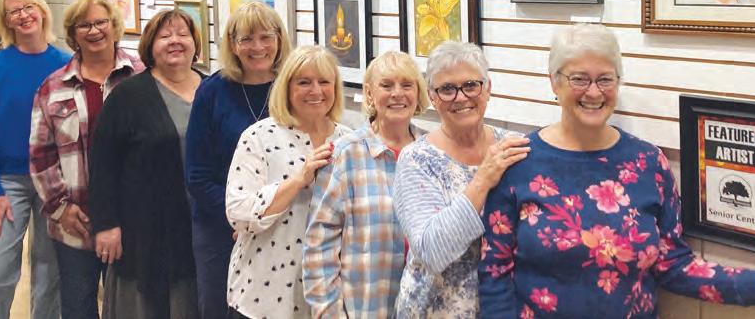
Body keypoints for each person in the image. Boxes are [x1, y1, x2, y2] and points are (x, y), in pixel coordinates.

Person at [478, 23, 755, 318]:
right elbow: (494, 273)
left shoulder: (647, 163)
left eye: (605, 79)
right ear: (554, 83)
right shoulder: (519, 162)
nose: (594, 92)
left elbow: (675, 265)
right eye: (579, 79)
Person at [392, 41, 530, 318]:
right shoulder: (417, 159)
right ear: (432, 96)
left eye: (470, 85)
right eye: (447, 89)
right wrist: (482, 179)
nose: (460, 97)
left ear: (488, 88)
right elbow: (431, 251)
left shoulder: (513, 148)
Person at [29, 0, 145, 319]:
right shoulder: (53, 87)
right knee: (78, 306)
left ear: (114, 26)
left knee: (129, 308)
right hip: (75, 223)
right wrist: (61, 209)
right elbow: (40, 154)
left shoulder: (142, 76)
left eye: (101, 22)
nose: (94, 31)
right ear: (73, 34)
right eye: (84, 25)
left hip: (131, 220)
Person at [88, 9, 205, 319]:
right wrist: (106, 224)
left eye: (183, 34)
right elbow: (102, 165)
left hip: (199, 229)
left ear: (195, 43)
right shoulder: (127, 96)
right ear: (150, 46)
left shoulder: (212, 89)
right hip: (144, 233)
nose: (175, 41)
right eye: (165, 36)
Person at [225, 45, 352, 319]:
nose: (315, 91)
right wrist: (298, 181)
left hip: (328, 298)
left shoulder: (349, 141)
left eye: (324, 82)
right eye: (304, 82)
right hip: (262, 297)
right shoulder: (258, 137)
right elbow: (239, 215)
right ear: (287, 88)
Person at [303, 51, 429, 318]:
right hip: (367, 308)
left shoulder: (433, 153)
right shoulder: (344, 154)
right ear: (370, 94)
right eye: (387, 85)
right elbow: (319, 248)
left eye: (407, 85)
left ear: (418, 93)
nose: (397, 93)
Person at [185, 1, 291, 319]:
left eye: (266, 37)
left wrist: (263, 219)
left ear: (279, 39)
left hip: (282, 227)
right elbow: (197, 176)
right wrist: (242, 220)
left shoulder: (294, 88)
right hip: (220, 229)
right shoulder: (212, 92)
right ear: (232, 45)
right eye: (246, 39)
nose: (258, 47)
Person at [0, 0, 69, 319]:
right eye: (14, 11)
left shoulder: (66, 64)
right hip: (8, 182)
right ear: (7, 22)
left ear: (42, 11)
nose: (23, 15)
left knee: (49, 273)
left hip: (55, 181)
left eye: (29, 7)